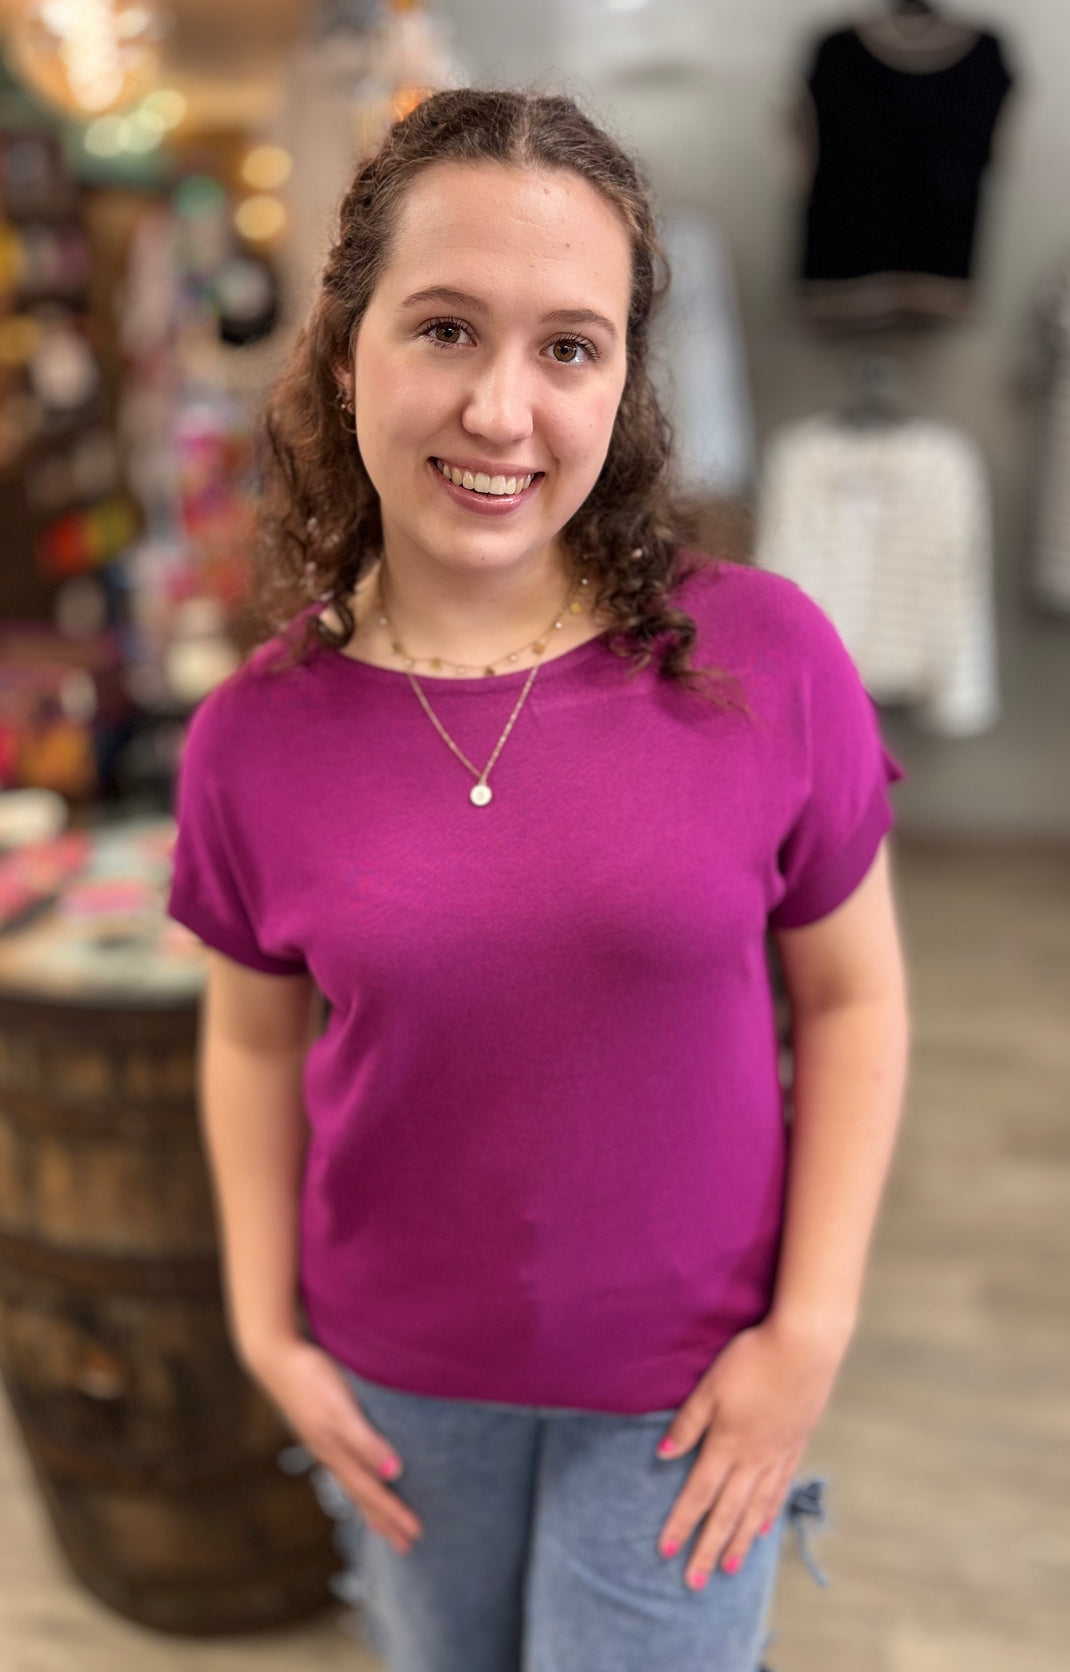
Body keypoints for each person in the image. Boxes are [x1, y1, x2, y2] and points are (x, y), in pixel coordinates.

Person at [166, 87, 910, 1672]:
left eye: (568, 347)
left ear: (623, 384)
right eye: (445, 329)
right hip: (396, 1382)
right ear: (349, 346)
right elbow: (248, 1040)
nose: (501, 412)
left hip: (687, 1386)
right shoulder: (253, 736)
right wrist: (264, 1325)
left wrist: (811, 1331)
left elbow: (853, 1002)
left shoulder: (764, 654)